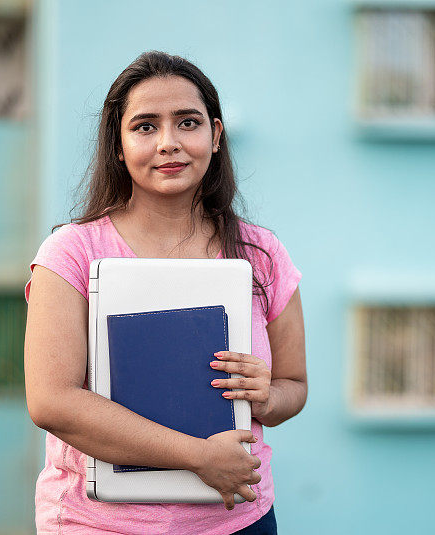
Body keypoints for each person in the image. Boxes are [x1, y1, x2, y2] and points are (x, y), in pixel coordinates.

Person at [23, 50, 306, 534]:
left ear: (215, 136)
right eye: (145, 126)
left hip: (238, 519)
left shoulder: (261, 253)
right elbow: (52, 402)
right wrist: (199, 457)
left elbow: (294, 387)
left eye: (188, 123)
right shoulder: (72, 252)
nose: (169, 143)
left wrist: (267, 398)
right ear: (118, 144)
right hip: (98, 524)